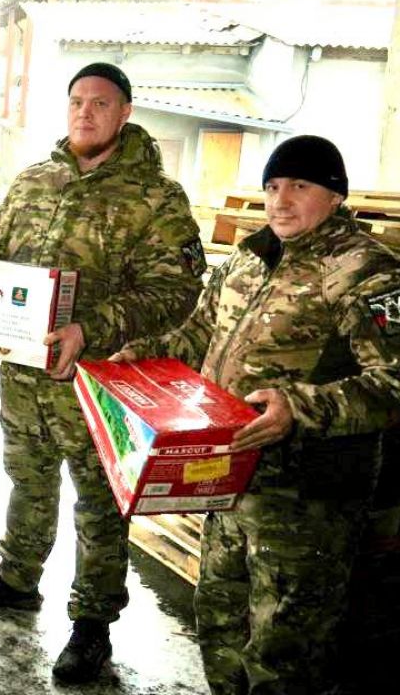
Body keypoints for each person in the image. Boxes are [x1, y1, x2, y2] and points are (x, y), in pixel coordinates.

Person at [111, 135, 400, 695]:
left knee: (284, 648)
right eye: (272, 186)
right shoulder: (252, 254)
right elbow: (202, 332)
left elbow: (393, 381)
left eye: (299, 186)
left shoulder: (365, 270)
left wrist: (300, 406)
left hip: (307, 495)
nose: (280, 200)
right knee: (219, 618)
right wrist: (150, 353)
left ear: (335, 196)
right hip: (229, 477)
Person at [0, 62, 206, 683]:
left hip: (99, 380)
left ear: (124, 114)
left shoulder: (156, 198)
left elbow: (178, 288)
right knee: (27, 480)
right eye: (76, 102)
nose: (85, 113)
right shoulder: (34, 181)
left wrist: (94, 328)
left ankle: (92, 626)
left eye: (100, 103)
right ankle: (16, 578)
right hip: (26, 374)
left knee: (98, 504)